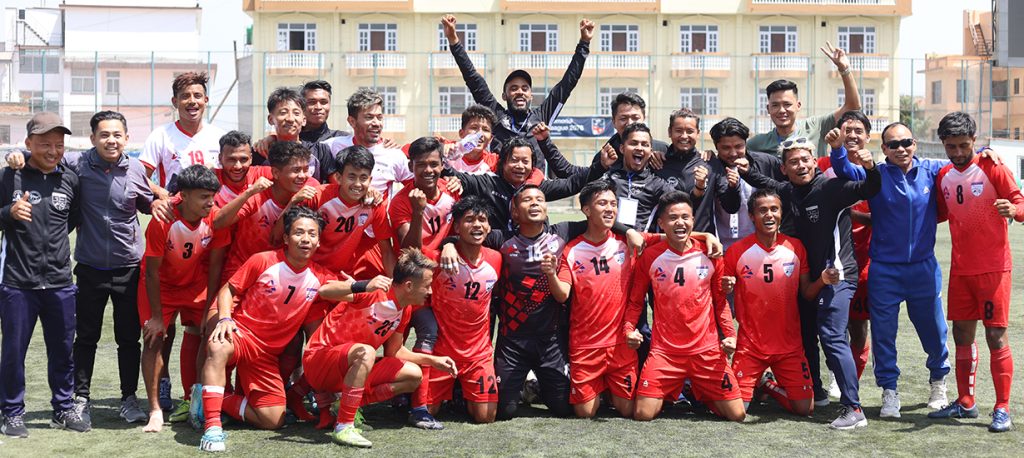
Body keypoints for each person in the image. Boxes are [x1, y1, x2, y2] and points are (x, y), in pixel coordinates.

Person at [740, 135, 881, 429]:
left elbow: (870, 188)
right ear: (785, 168)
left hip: (837, 276)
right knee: (805, 335)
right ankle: (816, 390)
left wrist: (871, 167)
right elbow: (760, 180)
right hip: (806, 280)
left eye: (805, 159)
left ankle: (854, 408)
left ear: (815, 162)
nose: (801, 165)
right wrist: (742, 164)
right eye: (794, 162)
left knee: (831, 334)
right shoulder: (788, 191)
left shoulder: (831, 188)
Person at [195, 206, 356, 452]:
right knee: (218, 346)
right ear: (285, 237)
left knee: (272, 420)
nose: (306, 239)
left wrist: (361, 286)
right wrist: (226, 318)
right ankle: (213, 427)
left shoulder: (321, 276)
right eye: (299, 233)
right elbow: (228, 290)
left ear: (319, 241)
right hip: (242, 335)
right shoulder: (263, 260)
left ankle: (210, 397)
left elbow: (348, 293)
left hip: (267, 355)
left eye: (312, 234)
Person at [828, 122, 955, 417]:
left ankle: (938, 381)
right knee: (884, 334)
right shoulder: (876, 175)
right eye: (893, 144)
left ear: (915, 144)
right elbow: (845, 170)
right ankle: (889, 392)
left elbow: (964, 160)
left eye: (906, 142)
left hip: (923, 268)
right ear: (883, 148)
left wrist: (989, 154)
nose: (901, 149)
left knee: (934, 330)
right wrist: (837, 150)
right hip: (884, 269)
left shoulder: (932, 169)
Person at [928, 111, 1024, 432]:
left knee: (995, 335)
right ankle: (966, 402)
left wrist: (1014, 210)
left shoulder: (991, 166)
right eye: (951, 146)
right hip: (961, 270)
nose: (957, 153)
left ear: (974, 141)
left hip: (994, 268)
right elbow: (940, 213)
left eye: (964, 145)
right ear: (943, 144)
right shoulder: (943, 175)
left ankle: (1002, 408)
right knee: (961, 335)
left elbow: (1019, 201)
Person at [302, 248, 456, 448]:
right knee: (366, 351)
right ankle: (344, 426)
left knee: (413, 375)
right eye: (427, 285)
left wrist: (434, 361)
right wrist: (363, 285)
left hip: (351, 365)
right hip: (319, 362)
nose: (430, 291)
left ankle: (341, 405)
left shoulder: (405, 310)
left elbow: (395, 352)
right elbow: (324, 291)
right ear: (409, 285)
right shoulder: (375, 291)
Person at [68, 111, 163, 427]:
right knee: (86, 337)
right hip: (90, 268)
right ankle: (81, 399)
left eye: (117, 134)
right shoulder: (77, 165)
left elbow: (150, 204)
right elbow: (44, 158)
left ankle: (128, 398)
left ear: (126, 138)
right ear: (93, 138)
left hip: (128, 269)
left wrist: (167, 201)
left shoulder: (135, 169)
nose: (111, 140)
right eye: (104, 135)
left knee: (128, 338)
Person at [0, 113, 86, 437]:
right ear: (28, 144)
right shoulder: (10, 175)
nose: (52, 151)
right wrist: (8, 213)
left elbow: (71, 220)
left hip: (60, 282)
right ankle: (11, 412)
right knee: (13, 352)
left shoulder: (70, 179)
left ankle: (63, 409)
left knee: (63, 350)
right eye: (44, 144)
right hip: (17, 282)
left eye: (58, 145)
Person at [625, 191, 744, 422]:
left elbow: (720, 302)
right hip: (665, 353)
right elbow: (635, 301)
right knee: (643, 414)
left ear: (693, 220)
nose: (680, 222)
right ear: (661, 223)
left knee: (737, 415)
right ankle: (680, 388)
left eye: (685, 217)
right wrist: (628, 330)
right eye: (672, 218)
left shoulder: (711, 253)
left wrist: (730, 335)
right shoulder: (649, 256)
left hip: (706, 351)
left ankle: (698, 390)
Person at [545, 180, 659, 418]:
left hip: (621, 345)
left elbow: (672, 236)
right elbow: (562, 294)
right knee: (585, 413)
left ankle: (607, 389)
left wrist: (707, 236)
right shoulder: (572, 250)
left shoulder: (628, 243)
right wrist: (550, 274)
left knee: (628, 410)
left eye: (613, 204)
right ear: (586, 210)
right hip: (586, 346)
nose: (610, 209)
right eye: (602, 204)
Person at [138, 165, 229, 432]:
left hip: (195, 285)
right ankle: (155, 408)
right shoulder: (162, 218)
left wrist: (208, 308)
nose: (210, 202)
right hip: (160, 287)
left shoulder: (215, 216)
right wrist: (156, 317)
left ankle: (197, 399)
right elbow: (152, 272)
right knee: (154, 339)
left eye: (212, 195)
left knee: (208, 332)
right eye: (203, 196)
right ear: (184, 196)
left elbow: (215, 267)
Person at [441, 13, 594, 169]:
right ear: (504, 96)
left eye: (524, 88)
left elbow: (568, 83)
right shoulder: (496, 116)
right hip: (501, 189)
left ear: (531, 96)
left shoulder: (541, 117)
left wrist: (584, 43)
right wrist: (454, 41)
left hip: (534, 190)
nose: (520, 92)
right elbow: (473, 79)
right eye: (513, 88)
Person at [721, 188, 813, 417]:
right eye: (762, 210)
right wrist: (726, 286)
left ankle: (768, 385)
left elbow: (808, 293)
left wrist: (822, 280)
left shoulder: (796, 247)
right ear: (752, 216)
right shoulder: (736, 252)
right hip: (750, 346)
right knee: (737, 412)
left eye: (774, 209)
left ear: (781, 213)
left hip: (789, 346)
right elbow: (720, 293)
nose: (769, 215)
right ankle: (755, 382)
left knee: (804, 409)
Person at [390, 137, 460, 429]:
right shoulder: (400, 200)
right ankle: (400, 395)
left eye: (434, 164)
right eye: (422, 165)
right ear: (411, 167)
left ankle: (418, 403)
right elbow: (410, 251)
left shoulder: (452, 192)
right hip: (409, 287)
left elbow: (463, 227)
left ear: (443, 165)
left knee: (430, 336)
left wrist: (451, 243)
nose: (429, 170)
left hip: (439, 285)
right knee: (394, 343)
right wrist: (418, 211)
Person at [423, 198, 501, 424]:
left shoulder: (496, 259)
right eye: (469, 220)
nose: (477, 225)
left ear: (488, 227)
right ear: (456, 227)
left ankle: (460, 392)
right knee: (427, 411)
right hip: (441, 351)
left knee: (485, 417)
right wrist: (447, 244)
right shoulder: (437, 259)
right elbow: (411, 251)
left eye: (482, 220)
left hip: (478, 353)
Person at [819, 111, 875, 395]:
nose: (852, 135)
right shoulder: (822, 165)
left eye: (858, 130)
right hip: (831, 259)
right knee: (831, 323)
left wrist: (849, 213)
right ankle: (833, 377)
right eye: (846, 129)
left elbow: (884, 214)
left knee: (858, 325)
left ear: (868, 136)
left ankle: (849, 379)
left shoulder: (876, 169)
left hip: (866, 259)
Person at [445, 136, 613, 231]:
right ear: (502, 163)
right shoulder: (487, 182)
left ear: (532, 165)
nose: (520, 166)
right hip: (496, 248)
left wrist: (601, 166)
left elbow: (572, 184)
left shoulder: (536, 187)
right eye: (514, 160)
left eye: (525, 161)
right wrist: (445, 154)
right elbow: (455, 175)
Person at [213, 141, 318, 282]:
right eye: (296, 170)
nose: (303, 176)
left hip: (278, 277)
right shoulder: (258, 196)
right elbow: (218, 223)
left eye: (306, 169)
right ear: (275, 172)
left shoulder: (310, 188)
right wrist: (248, 193)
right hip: (240, 272)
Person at [746, 42, 861, 156]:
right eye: (775, 105)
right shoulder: (757, 144)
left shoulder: (816, 127)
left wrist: (844, 70)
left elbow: (853, 107)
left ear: (798, 105)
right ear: (768, 108)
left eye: (787, 104)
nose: (781, 110)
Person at [139, 72, 226, 196]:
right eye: (185, 96)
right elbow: (140, 176)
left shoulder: (220, 137)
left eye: (197, 96)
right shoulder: (160, 136)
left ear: (205, 100)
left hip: (214, 210)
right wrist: (160, 193)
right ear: (175, 102)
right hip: (175, 210)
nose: (192, 101)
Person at [656, 109, 741, 234]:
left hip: (702, 243)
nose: (684, 136)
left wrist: (733, 187)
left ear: (698, 133)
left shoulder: (710, 163)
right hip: (667, 244)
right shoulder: (658, 163)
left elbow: (731, 207)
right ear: (670, 132)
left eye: (690, 131)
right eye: (679, 131)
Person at [321, 88, 414, 199]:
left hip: (377, 216)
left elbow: (416, 188)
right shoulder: (331, 146)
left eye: (379, 117)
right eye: (369, 117)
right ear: (352, 121)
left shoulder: (394, 154)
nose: (376, 123)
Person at [707, 118, 783, 250]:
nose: (733, 153)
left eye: (738, 146)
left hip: (760, 246)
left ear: (746, 143)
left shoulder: (766, 163)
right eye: (725, 148)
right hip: (720, 247)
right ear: (715, 146)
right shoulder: (710, 167)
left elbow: (785, 191)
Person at [602, 123, 679, 231]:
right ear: (622, 148)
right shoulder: (608, 178)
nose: (639, 148)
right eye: (634, 143)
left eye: (645, 144)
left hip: (640, 244)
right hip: (609, 245)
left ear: (651, 151)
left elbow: (684, 204)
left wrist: (699, 189)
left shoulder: (656, 184)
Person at [258, 87, 338, 183]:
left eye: (296, 113)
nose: (290, 119)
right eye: (283, 113)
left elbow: (334, 187)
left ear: (304, 120)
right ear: (271, 119)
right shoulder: (260, 152)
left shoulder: (320, 151)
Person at [214, 131, 274, 207]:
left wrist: (274, 137)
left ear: (251, 158)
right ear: (220, 158)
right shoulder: (210, 181)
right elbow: (217, 219)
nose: (238, 166)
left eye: (243, 159)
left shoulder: (263, 174)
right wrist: (250, 192)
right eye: (231, 159)